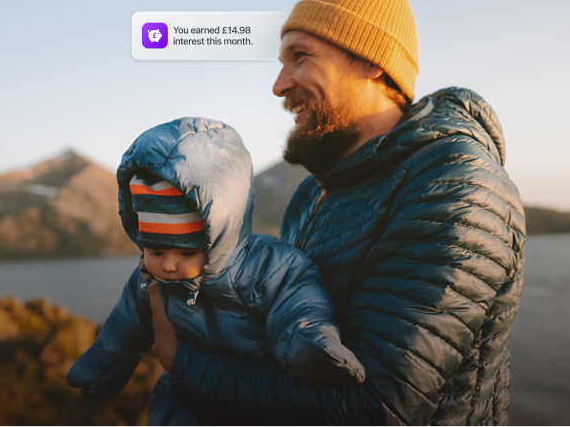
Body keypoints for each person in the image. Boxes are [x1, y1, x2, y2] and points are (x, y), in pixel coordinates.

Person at [149, 0, 526, 426]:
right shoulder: (312, 194)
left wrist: (182, 361)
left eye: (300, 57)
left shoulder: (455, 185)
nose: (278, 85)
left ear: (371, 61)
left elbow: (379, 408)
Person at [66, 118, 366, 426]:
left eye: (186, 252)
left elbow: (299, 301)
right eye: (156, 251)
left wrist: (310, 345)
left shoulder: (266, 264)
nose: (168, 265)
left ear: (216, 235)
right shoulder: (149, 275)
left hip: (254, 394)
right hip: (180, 397)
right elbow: (126, 324)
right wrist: (104, 364)